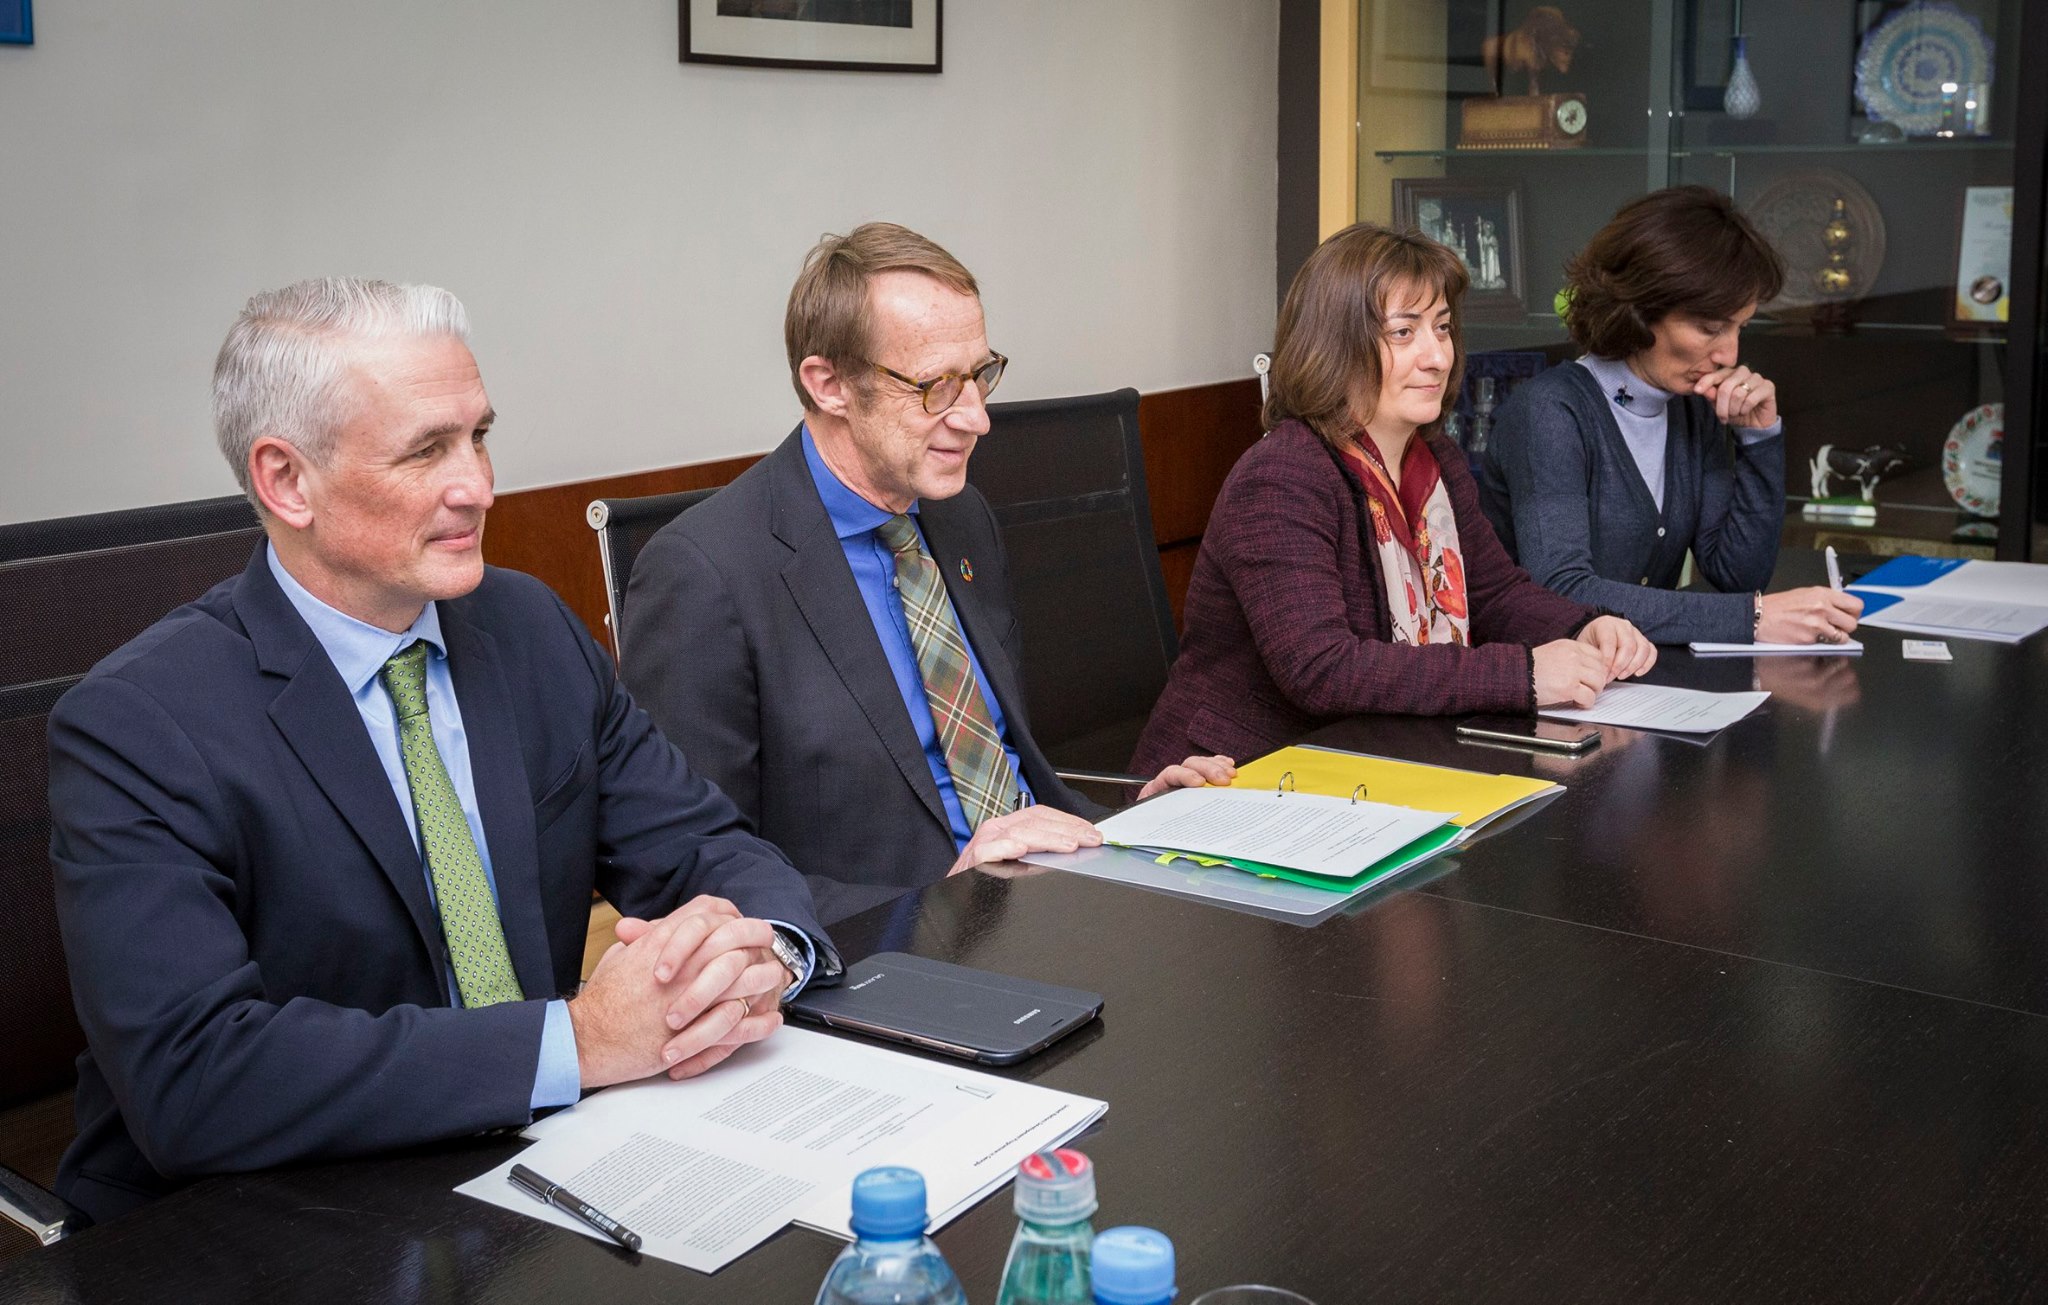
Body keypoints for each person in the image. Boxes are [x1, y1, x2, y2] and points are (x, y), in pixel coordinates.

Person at [47, 278, 839, 1225]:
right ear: (286, 481)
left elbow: (709, 847)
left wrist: (762, 957)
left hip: (540, 1174)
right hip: (259, 1219)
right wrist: (580, 1041)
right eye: (426, 450)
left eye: (479, 436)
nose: (479, 486)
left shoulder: (528, 626)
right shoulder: (137, 722)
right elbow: (196, 1077)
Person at [622, 223, 1231, 923]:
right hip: (888, 947)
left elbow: (1007, 773)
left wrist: (1133, 825)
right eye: (936, 386)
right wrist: (942, 893)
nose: (977, 418)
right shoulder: (704, 575)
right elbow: (683, 872)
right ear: (829, 385)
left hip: (1043, 904)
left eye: (979, 375)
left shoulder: (960, 517)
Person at [1130, 223, 1655, 775]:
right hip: (1233, 779)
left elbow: (1495, 593)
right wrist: (1521, 675)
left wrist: (1581, 627)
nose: (1438, 356)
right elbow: (1322, 669)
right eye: (1404, 333)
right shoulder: (1282, 475)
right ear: (1334, 345)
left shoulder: (1434, 458)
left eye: (1442, 328)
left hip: (1373, 762)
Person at [1477, 186, 1863, 645]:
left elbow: (1737, 575)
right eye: (1710, 328)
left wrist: (1759, 437)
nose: (1730, 354)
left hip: (1637, 677)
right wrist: (1753, 619)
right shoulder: (1549, 412)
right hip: (1537, 677)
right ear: (1639, 310)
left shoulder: (1692, 407)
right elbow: (1562, 591)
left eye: (1740, 327)